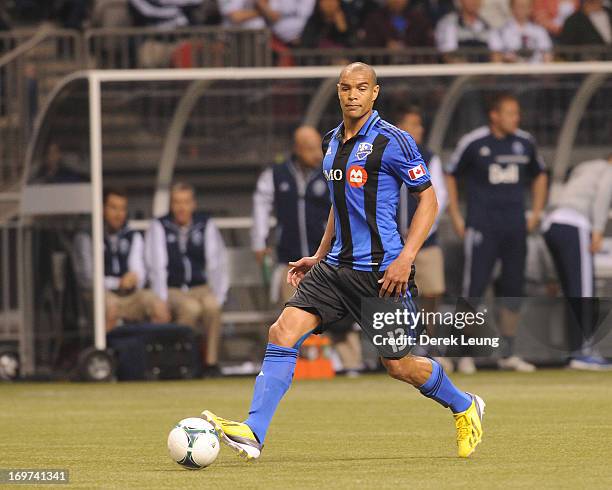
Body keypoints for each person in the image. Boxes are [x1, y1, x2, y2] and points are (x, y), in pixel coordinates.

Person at [202, 62, 485, 462]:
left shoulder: (395, 140)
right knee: (282, 331)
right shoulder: (331, 140)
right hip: (335, 268)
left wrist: (406, 258)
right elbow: (341, 204)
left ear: (375, 93)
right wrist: (319, 254)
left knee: (399, 365)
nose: (353, 94)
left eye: (361, 87)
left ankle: (464, 404)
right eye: (346, 87)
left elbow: (429, 199)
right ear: (338, 92)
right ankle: (254, 431)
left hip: (383, 273)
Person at [446, 93, 548, 373]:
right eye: (511, 113)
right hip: (482, 226)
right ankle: (461, 353)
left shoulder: (525, 142)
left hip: (515, 226)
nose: (516, 118)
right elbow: (450, 173)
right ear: (495, 115)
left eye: (517, 113)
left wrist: (536, 212)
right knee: (473, 289)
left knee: (513, 289)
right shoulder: (474, 142)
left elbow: (540, 174)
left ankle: (508, 352)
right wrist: (456, 215)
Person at [251, 125, 363, 374]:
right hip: (290, 261)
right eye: (311, 148)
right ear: (298, 149)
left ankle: (352, 366)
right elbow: (261, 206)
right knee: (289, 317)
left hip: (329, 261)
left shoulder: (331, 172)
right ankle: (292, 367)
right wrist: (259, 241)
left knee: (340, 315)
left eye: (318, 147)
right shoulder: (277, 175)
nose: (317, 153)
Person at [145, 182, 229, 376]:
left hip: (200, 287)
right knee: (191, 308)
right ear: (171, 205)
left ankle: (210, 363)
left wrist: (219, 294)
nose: (182, 207)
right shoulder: (160, 226)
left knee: (212, 307)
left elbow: (217, 263)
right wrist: (161, 298)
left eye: (186, 202)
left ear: (193, 204)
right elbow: (157, 266)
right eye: (177, 202)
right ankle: (186, 361)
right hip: (173, 289)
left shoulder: (205, 224)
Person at [541, 155, 612, 370]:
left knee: (572, 292)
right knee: (584, 291)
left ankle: (575, 351)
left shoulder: (585, 166)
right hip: (574, 223)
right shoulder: (608, 170)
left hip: (552, 224)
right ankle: (583, 351)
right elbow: (602, 197)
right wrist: (598, 230)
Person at [396, 106, 452, 372]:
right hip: (391, 243)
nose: (417, 130)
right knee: (394, 297)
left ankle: (431, 346)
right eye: (411, 124)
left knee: (432, 294)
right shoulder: (384, 155)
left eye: (419, 126)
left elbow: (439, 198)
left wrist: (418, 235)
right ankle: (401, 349)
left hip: (425, 242)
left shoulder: (429, 157)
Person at [73, 189, 170, 332]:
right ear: (102, 209)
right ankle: (107, 353)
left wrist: (134, 278)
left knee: (160, 308)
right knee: (111, 309)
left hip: (129, 294)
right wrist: (117, 283)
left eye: (122, 209)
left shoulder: (132, 236)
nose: (119, 214)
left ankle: (148, 351)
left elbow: (139, 270)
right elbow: (86, 279)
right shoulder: (86, 237)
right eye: (113, 208)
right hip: (102, 293)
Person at [219, 0, 315, 46]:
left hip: (259, 42)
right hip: (233, 41)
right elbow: (236, 17)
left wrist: (261, 6)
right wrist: (262, 11)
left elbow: (274, 16)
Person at [489, 0, 554, 63]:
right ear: (511, 8)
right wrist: (506, 60)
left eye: (525, 6)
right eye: (518, 6)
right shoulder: (499, 32)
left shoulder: (540, 31)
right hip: (510, 72)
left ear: (530, 8)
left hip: (535, 71)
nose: (522, 10)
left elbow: (547, 56)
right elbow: (496, 59)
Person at [363, 0, 434, 49]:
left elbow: (427, 42)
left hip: (414, 64)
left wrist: (407, 46)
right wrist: (385, 45)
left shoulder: (419, 18)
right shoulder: (375, 18)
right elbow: (370, 42)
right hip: (384, 63)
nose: (397, 0)